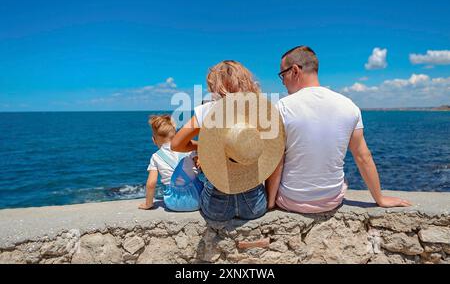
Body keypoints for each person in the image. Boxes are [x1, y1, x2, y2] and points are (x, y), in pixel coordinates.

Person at [266, 45, 412, 213]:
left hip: (291, 201)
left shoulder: (281, 107)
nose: (283, 81)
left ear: (296, 70)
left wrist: (270, 204)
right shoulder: (349, 106)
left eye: (283, 75)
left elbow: (276, 162)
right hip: (332, 200)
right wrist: (379, 198)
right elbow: (363, 156)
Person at [171, 61, 284, 221]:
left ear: (215, 86)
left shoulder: (206, 111)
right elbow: (273, 153)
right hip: (254, 205)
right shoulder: (260, 111)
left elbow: (176, 144)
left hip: (216, 206)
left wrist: (201, 146)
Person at [138, 115, 201, 210]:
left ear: (154, 140)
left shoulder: (156, 157)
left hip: (172, 203)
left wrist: (148, 204)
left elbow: (151, 183)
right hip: (197, 199)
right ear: (176, 136)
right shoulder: (189, 150)